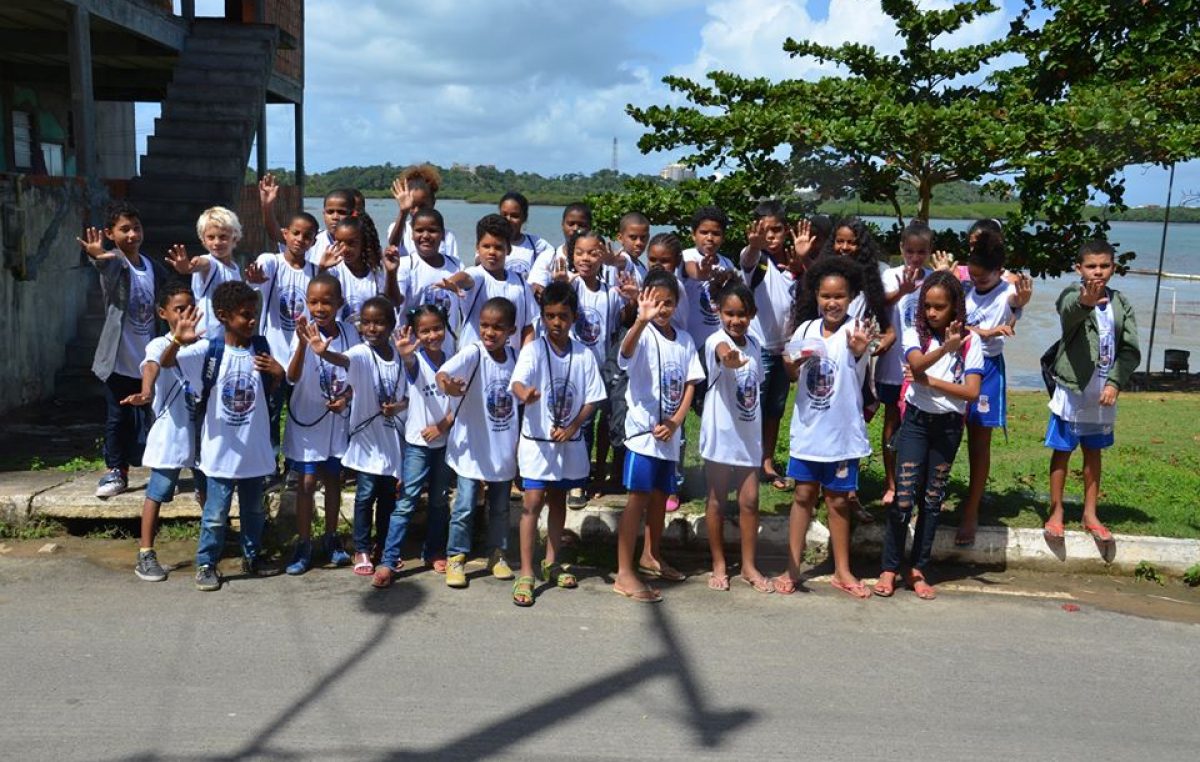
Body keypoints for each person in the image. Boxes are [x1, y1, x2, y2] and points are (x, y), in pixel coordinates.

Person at [160, 281, 284, 592]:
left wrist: (278, 372)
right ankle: (206, 563)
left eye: (254, 313)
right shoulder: (208, 351)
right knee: (215, 514)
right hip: (218, 454)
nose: (252, 320)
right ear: (223, 315)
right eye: (245, 314)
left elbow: (274, 389)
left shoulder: (262, 348)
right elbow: (166, 361)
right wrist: (178, 339)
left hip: (254, 453)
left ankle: (252, 557)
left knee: (254, 511)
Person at [875, 271, 982, 601]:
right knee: (903, 498)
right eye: (927, 306)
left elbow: (971, 393)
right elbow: (917, 366)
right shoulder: (914, 332)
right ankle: (889, 568)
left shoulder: (971, 341)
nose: (932, 313)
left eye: (940, 307)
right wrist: (943, 350)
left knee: (931, 501)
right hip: (917, 424)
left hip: (948, 427)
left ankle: (918, 568)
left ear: (955, 308)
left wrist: (932, 383)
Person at [778, 258, 879, 599]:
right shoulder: (805, 329)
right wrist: (792, 362)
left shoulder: (859, 331)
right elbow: (790, 371)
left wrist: (860, 351)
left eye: (839, 296)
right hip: (808, 432)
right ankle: (792, 567)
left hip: (842, 436)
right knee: (803, 496)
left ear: (851, 297)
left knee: (837, 502)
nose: (832, 303)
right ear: (816, 296)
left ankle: (842, 570)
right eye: (825, 296)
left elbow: (862, 361)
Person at [509, 282, 607, 606]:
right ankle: (526, 570)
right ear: (542, 316)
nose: (556, 322)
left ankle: (551, 560)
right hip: (537, 443)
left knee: (557, 499)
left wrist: (575, 425)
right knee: (531, 501)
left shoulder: (584, 353)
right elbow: (519, 383)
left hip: (569, 441)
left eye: (562, 316)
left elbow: (593, 398)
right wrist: (526, 395)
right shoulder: (533, 349)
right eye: (550, 316)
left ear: (574, 317)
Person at [613, 270, 705, 602]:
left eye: (668, 303)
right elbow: (624, 355)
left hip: (669, 435)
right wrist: (640, 320)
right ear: (644, 301)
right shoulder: (642, 334)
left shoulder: (683, 339)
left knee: (657, 499)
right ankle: (623, 573)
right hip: (643, 434)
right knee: (637, 500)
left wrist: (678, 420)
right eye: (655, 302)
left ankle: (650, 555)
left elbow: (692, 382)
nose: (662, 309)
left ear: (677, 304)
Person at [1043, 240, 1140, 545]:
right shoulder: (1072, 295)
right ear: (1079, 269)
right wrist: (1087, 302)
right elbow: (1068, 313)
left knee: (1093, 452)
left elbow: (1130, 349)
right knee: (1062, 450)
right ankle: (1056, 511)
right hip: (1073, 389)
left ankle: (1090, 514)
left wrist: (1115, 382)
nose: (1098, 272)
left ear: (1113, 267)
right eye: (1091, 266)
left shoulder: (1121, 303)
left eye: (1104, 266)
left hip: (1103, 392)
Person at [301, 296, 405, 578]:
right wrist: (324, 353)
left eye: (379, 322)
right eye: (367, 323)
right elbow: (344, 359)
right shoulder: (361, 352)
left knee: (388, 499)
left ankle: (382, 546)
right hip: (367, 442)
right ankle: (361, 547)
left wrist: (397, 407)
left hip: (391, 442)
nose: (372, 328)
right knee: (364, 496)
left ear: (392, 324)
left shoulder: (399, 356)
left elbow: (406, 398)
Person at [77, 201, 169, 498]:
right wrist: (98, 255)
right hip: (118, 359)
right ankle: (116, 471)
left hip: (149, 360)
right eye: (124, 229)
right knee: (118, 417)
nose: (132, 235)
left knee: (157, 416)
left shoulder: (153, 267)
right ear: (111, 233)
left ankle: (162, 470)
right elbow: (106, 263)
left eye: (136, 228)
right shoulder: (116, 261)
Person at [807, 216, 892, 522]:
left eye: (852, 242)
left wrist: (880, 344)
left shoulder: (871, 283)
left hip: (857, 365)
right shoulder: (821, 277)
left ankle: (849, 493)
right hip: (824, 368)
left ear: (861, 246)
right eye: (840, 241)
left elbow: (889, 327)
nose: (845, 247)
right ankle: (817, 488)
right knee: (820, 420)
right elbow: (804, 321)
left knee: (851, 422)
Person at [955, 228, 1033, 546]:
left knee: (979, 442)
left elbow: (1017, 300)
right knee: (946, 436)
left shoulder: (1007, 292)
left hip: (987, 371)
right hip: (958, 366)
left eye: (983, 279)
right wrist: (982, 332)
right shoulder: (964, 287)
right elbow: (953, 323)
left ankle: (971, 510)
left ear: (999, 273)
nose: (977, 283)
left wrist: (1021, 302)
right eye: (972, 277)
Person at [437, 297, 521, 589]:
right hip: (471, 448)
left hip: (502, 448)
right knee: (465, 506)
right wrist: (448, 385)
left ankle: (497, 555)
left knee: (500, 508)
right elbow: (444, 373)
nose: (489, 332)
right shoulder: (473, 352)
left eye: (498, 327)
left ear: (511, 330)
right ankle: (456, 557)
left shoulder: (514, 358)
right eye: (484, 325)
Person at [549, 229, 637, 506]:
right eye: (579, 252)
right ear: (571, 255)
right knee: (580, 425)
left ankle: (599, 472)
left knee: (608, 423)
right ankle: (576, 482)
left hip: (605, 369)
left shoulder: (611, 293)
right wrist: (560, 286)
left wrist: (632, 296)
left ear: (603, 257)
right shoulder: (571, 285)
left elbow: (626, 317)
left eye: (593, 252)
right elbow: (555, 307)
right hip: (576, 372)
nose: (585, 258)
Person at [699, 271, 772, 593]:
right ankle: (718, 564)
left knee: (750, 502)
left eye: (742, 314)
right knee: (717, 500)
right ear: (719, 313)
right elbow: (722, 356)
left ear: (752, 315)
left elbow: (755, 388)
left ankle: (748, 565)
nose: (736, 320)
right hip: (720, 435)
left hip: (748, 436)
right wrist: (727, 360)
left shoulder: (756, 344)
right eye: (729, 313)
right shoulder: (716, 341)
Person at [372, 305, 455, 588]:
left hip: (444, 445)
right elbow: (409, 365)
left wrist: (441, 427)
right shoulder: (416, 361)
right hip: (417, 445)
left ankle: (433, 551)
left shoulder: (453, 360)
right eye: (425, 330)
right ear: (416, 333)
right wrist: (406, 354)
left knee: (439, 501)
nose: (432, 335)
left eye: (437, 328)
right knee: (406, 502)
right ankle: (388, 559)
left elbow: (460, 403)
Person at [281, 274, 359, 574]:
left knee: (332, 480)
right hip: (307, 421)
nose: (319, 307)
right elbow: (292, 376)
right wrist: (302, 344)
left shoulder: (350, 333)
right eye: (313, 301)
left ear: (339, 303)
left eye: (327, 301)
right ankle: (303, 543)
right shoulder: (300, 332)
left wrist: (346, 398)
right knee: (306, 484)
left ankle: (331, 537)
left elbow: (357, 372)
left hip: (336, 420)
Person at [118, 283, 197, 581]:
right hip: (172, 435)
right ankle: (145, 553)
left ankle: (210, 545)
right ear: (163, 313)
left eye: (189, 308)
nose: (185, 314)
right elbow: (151, 366)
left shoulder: (203, 342)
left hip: (202, 435)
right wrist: (146, 392)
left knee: (208, 491)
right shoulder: (159, 343)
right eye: (178, 309)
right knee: (158, 493)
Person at [739, 201, 806, 490]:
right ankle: (747, 462)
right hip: (761, 347)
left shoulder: (793, 264)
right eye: (764, 231)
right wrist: (753, 246)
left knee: (775, 408)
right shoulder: (757, 263)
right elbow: (748, 258)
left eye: (777, 229)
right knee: (753, 406)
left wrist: (801, 264)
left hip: (786, 349)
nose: (771, 236)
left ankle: (766, 460)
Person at [244, 211, 320, 457]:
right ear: (285, 234)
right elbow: (256, 277)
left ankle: (295, 467)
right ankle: (268, 468)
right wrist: (254, 278)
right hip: (273, 357)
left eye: (307, 236)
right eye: (295, 233)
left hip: (303, 359)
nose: (300, 239)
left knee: (300, 415)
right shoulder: (272, 262)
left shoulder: (317, 272)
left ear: (314, 242)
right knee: (270, 413)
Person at [875, 221, 936, 507]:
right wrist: (904, 290)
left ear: (929, 251)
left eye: (921, 252)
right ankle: (891, 483)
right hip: (892, 365)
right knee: (892, 421)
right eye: (910, 251)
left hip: (924, 366)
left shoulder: (935, 279)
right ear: (901, 249)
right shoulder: (892, 276)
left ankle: (916, 483)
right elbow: (880, 303)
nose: (915, 257)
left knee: (922, 424)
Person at [600, 214, 653, 495]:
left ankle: (619, 470)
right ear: (620, 237)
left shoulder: (642, 266)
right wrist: (612, 260)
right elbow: (619, 262)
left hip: (633, 345)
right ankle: (601, 472)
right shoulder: (623, 261)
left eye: (643, 237)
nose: (639, 242)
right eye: (633, 237)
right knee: (611, 408)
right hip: (617, 344)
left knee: (623, 407)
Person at [437, 214, 536, 352]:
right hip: (475, 360)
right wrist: (453, 282)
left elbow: (528, 326)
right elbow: (465, 278)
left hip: (510, 362)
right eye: (486, 246)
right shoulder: (478, 275)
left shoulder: (520, 283)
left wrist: (526, 358)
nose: (492, 252)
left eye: (498, 247)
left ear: (508, 249)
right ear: (477, 248)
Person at [167, 206, 244, 342]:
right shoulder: (210, 262)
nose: (217, 242)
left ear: (235, 237)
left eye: (223, 237)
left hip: (228, 337)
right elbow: (198, 263)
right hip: (207, 337)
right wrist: (187, 267)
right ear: (203, 240)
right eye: (211, 237)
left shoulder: (235, 268)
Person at [394, 207, 463, 355]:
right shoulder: (405, 265)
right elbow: (395, 301)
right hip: (413, 352)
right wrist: (390, 272)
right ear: (411, 234)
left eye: (432, 230)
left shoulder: (456, 265)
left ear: (443, 235)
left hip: (447, 351)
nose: (425, 235)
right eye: (419, 230)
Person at [322, 214, 401, 327]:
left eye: (351, 243)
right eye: (339, 242)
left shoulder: (376, 272)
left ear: (363, 242)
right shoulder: (334, 271)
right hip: (344, 338)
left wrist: (391, 272)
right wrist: (322, 269)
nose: (344, 249)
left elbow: (393, 302)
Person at [387, 165, 460, 262]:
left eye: (422, 206)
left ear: (433, 202)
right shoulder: (399, 228)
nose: (416, 211)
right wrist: (403, 212)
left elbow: (453, 265)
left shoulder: (447, 236)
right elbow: (393, 245)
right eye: (412, 206)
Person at [498, 191, 554, 279]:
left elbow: (553, 254)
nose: (508, 219)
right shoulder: (492, 243)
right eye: (504, 215)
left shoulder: (535, 244)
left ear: (524, 218)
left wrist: (539, 279)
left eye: (514, 216)